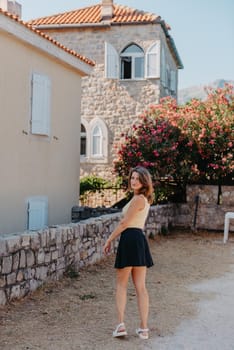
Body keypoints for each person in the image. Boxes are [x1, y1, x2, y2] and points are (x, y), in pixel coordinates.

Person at [103, 166, 154, 340]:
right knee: (140, 287)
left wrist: (109, 239)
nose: (133, 181)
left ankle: (121, 325)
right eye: (132, 178)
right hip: (138, 239)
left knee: (123, 285)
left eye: (138, 179)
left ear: (144, 182)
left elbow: (125, 223)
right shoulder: (141, 199)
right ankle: (143, 328)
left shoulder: (138, 199)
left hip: (131, 237)